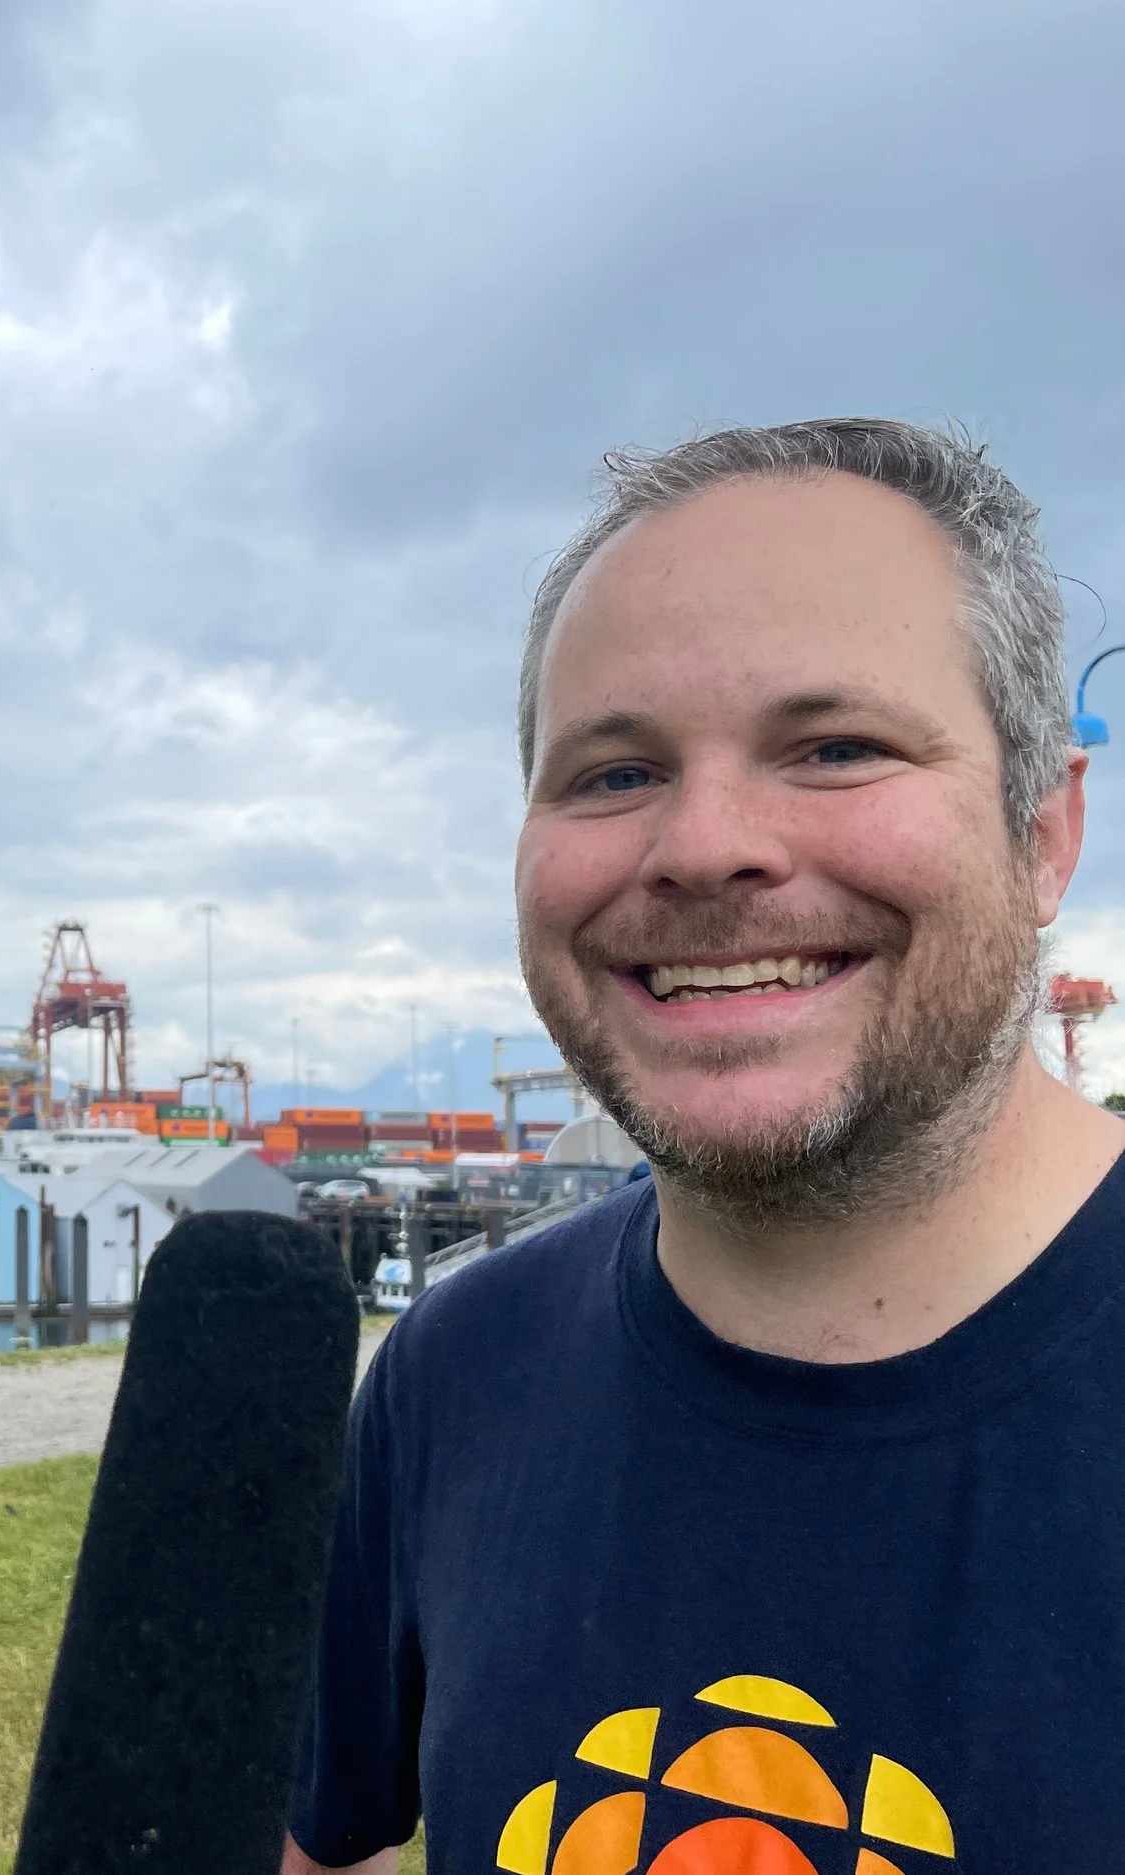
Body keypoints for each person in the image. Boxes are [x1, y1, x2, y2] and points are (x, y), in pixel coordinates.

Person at [284, 419, 1125, 1873]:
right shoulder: (454, 1373)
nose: (705, 843)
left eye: (837, 746)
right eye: (612, 772)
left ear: (1045, 832)